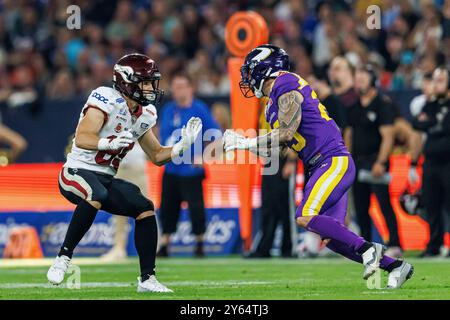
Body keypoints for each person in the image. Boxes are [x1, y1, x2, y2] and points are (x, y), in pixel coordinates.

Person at [223, 44, 413, 289]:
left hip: (332, 160)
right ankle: (395, 266)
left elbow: (287, 131)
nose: (248, 79)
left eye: (251, 71)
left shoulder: (285, 82)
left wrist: (247, 140)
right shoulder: (272, 105)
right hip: (320, 165)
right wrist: (244, 146)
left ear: (264, 68)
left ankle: (369, 248)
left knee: (304, 216)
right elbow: (281, 148)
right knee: (332, 239)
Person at [46, 53, 203, 292]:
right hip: (76, 172)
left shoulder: (144, 114)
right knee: (96, 193)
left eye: (152, 82)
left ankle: (147, 279)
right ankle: (63, 258)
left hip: (105, 179)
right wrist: (106, 143)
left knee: (145, 207)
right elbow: (83, 136)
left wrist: (182, 145)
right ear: (127, 82)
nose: (151, 88)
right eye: (146, 82)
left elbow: (157, 155)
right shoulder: (106, 99)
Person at [157, 72, 220, 257]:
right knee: (168, 207)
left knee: (196, 207)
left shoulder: (199, 109)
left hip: (191, 170)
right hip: (171, 168)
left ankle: (200, 243)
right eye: (175, 87)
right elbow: (162, 135)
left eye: (182, 86)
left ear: (190, 88)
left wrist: (204, 157)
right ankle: (165, 243)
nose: (178, 91)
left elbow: (215, 134)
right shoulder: (168, 109)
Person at [345, 65, 403, 257]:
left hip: (375, 161)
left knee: (384, 203)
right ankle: (366, 245)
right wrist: (347, 160)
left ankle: (395, 243)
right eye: (357, 76)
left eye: (363, 76)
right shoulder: (353, 107)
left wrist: (381, 161)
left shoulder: (382, 104)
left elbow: (388, 136)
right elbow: (350, 135)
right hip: (358, 162)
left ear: (372, 80)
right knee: (361, 207)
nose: (359, 79)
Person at [246, 102, 295, 258]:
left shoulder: (284, 100)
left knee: (285, 205)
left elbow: (295, 130)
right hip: (270, 157)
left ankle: (289, 247)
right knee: (268, 204)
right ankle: (265, 246)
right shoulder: (263, 104)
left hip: (283, 157)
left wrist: (291, 161)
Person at [413, 67, 450, 257]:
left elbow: (442, 126)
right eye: (435, 80)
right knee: (431, 204)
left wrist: (433, 123)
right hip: (431, 161)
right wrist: (436, 123)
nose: (436, 84)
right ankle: (433, 245)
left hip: (448, 161)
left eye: (441, 80)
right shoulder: (430, 104)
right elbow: (416, 123)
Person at [100, 143, 149, 261]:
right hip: (119, 168)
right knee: (118, 212)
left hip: (137, 169)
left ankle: (152, 248)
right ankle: (119, 248)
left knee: (145, 210)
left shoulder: (142, 125)